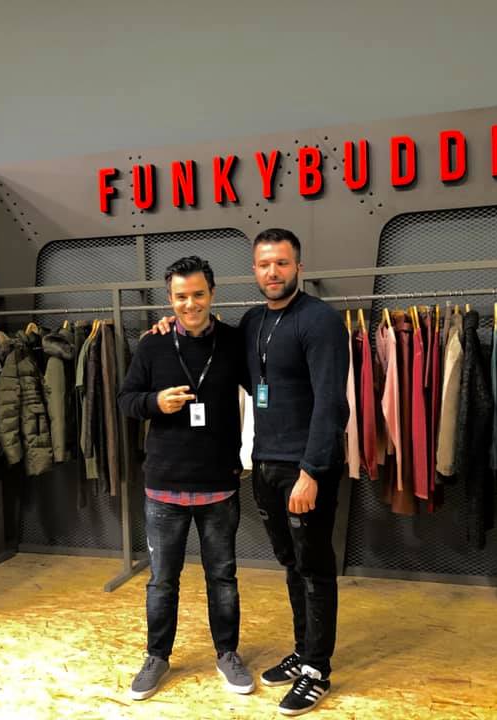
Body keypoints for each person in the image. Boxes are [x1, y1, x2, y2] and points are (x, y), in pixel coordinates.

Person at [156, 229, 349, 716]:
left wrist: (312, 471)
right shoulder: (253, 322)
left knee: (315, 569)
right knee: (291, 564)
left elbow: (331, 404)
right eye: (264, 264)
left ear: (298, 267)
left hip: (305, 469)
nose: (273, 272)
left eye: (282, 263)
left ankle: (317, 670)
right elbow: (222, 359)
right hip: (265, 464)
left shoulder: (321, 321)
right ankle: (304, 650)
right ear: (254, 270)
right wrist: (170, 326)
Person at [117, 255, 255, 701]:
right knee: (162, 580)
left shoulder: (233, 342)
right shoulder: (153, 345)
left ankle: (227, 653)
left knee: (223, 578)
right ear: (169, 298)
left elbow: (263, 390)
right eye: (180, 297)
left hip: (219, 485)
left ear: (212, 293)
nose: (189, 304)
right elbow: (126, 400)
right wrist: (155, 403)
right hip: (164, 486)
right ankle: (157, 656)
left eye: (198, 294)